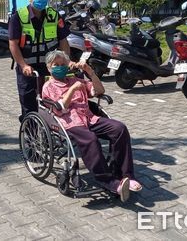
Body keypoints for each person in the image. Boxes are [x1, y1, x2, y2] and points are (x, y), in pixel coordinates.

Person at [41, 50, 142, 202]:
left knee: (119, 128)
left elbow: (99, 91)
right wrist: (72, 90)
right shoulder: (48, 86)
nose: (60, 67)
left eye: (63, 64)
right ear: (49, 67)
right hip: (69, 123)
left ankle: (125, 175)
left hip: (89, 118)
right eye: (56, 65)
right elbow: (59, 109)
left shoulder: (76, 80)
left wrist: (90, 72)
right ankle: (110, 182)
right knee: (91, 139)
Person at [8, 0, 70, 122]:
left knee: (52, 100)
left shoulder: (54, 16)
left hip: (49, 67)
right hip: (27, 68)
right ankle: (30, 133)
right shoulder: (18, 17)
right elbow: (13, 44)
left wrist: (66, 62)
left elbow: (63, 41)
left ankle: (51, 129)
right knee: (28, 103)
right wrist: (23, 65)